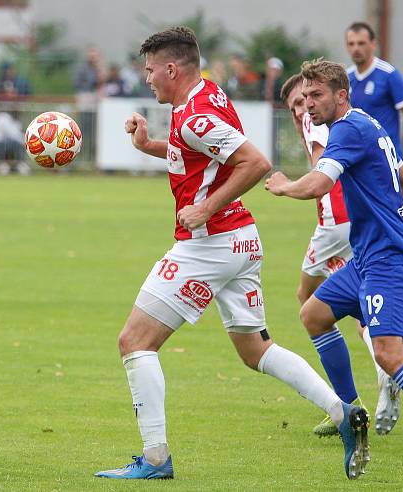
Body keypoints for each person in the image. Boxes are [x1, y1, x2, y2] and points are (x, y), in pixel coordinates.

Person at [94, 27, 369, 482]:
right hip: (242, 240)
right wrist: (148, 146)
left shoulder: (194, 115)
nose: (147, 81)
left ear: (170, 68)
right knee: (255, 349)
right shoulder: (207, 97)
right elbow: (204, 154)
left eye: (149, 71)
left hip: (211, 244)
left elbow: (255, 162)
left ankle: (156, 459)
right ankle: (342, 412)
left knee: (135, 342)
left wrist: (205, 206)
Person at [265, 58, 403, 462]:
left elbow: (320, 184)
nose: (309, 104)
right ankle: (349, 409)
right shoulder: (367, 124)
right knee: (313, 314)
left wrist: (284, 186)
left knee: (388, 353)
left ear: (341, 95)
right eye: (305, 96)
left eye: (317, 95)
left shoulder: (346, 130)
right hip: (369, 254)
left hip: (387, 261)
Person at [277, 73, 393, 437]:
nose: (301, 110)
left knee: (307, 299)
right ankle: (379, 367)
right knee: (347, 302)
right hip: (352, 224)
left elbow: (320, 172)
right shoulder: (347, 123)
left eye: (304, 101)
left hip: (335, 225)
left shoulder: (318, 125)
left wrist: (287, 186)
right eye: (294, 106)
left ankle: (353, 395)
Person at [344, 21, 403, 421]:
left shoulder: (387, 75)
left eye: (362, 42)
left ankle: (383, 371)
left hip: (387, 181)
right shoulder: (344, 81)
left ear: (373, 44)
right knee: (313, 302)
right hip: (361, 185)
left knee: (363, 271)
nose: (356, 49)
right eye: (351, 43)